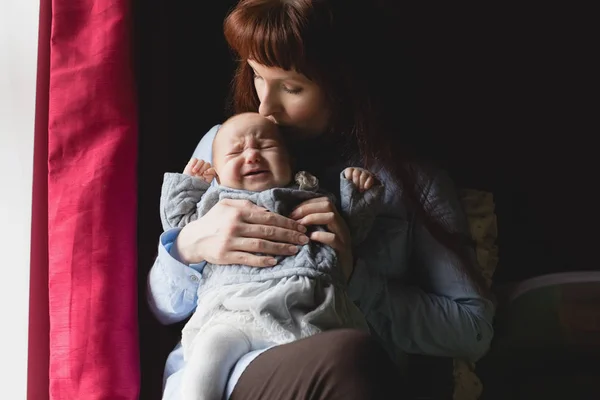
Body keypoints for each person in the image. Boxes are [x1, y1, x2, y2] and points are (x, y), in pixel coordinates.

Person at [147, 1, 495, 399]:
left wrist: (352, 276)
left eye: (291, 88)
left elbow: (473, 330)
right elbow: (161, 305)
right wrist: (191, 243)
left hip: (341, 371)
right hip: (227, 372)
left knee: (347, 354)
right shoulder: (225, 147)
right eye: (257, 76)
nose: (265, 106)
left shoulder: (408, 183)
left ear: (344, 85)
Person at [158, 112, 380, 400]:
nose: (251, 156)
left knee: (329, 362)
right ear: (218, 174)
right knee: (209, 351)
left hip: (304, 309)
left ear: (291, 161)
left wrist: (360, 194)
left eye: (266, 147)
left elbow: (351, 231)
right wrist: (190, 185)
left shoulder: (312, 197)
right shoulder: (214, 206)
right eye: (236, 151)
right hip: (234, 310)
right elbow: (177, 222)